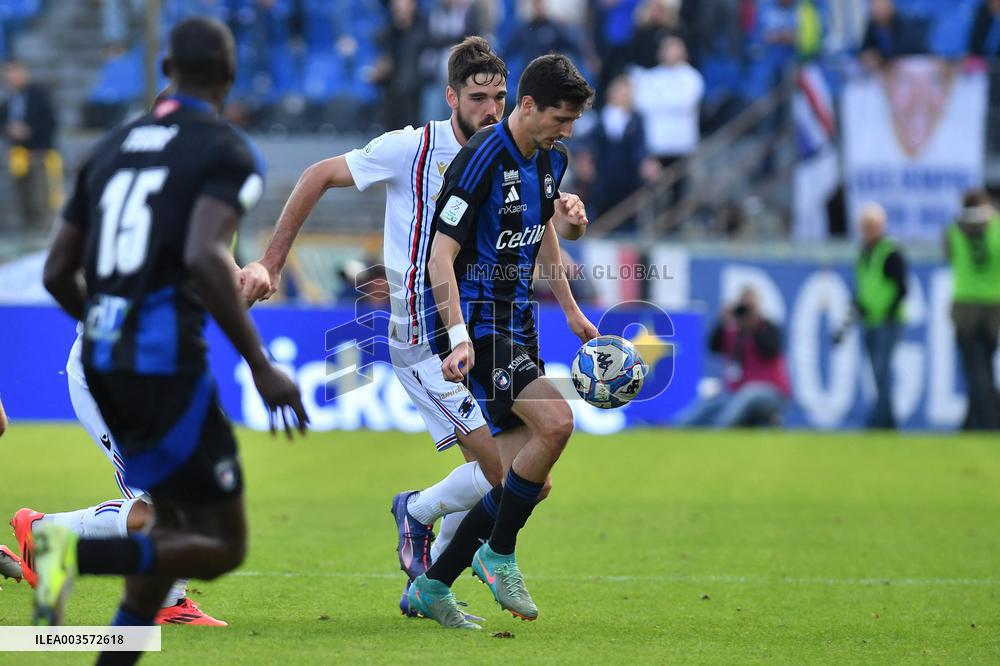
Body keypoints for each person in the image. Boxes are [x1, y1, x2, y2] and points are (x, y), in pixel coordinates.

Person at [33, 17, 308, 646]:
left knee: (178, 516)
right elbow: (199, 257)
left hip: (113, 357)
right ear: (230, 77)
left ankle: (75, 557)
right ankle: (69, 551)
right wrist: (260, 364)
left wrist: (109, 326)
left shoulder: (110, 151)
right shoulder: (223, 152)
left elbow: (58, 272)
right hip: (154, 366)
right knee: (195, 528)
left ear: (166, 71)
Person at [239, 36, 516, 624]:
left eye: (500, 97)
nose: (492, 110)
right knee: (506, 476)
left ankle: (429, 565)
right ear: (451, 97)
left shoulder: (505, 155)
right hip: (422, 338)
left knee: (527, 479)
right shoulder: (410, 148)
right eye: (478, 98)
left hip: (479, 333)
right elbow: (317, 174)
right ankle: (420, 522)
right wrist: (273, 262)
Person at [405, 53, 597, 628]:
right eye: (561, 119)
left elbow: (545, 236)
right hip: (477, 324)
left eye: (573, 122)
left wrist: (571, 309)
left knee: (527, 481)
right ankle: (499, 553)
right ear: (529, 105)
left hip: (519, 323)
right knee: (557, 423)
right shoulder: (482, 157)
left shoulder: (552, 158)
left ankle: (433, 586)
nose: (568, 132)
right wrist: (457, 337)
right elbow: (440, 255)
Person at [677, 287, 790, 428]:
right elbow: (712, 347)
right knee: (709, 402)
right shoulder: (733, 331)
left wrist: (754, 325)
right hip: (736, 392)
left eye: (749, 307)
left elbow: (770, 349)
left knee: (746, 396)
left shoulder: (768, 328)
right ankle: (676, 427)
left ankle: (721, 429)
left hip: (770, 391)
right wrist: (722, 320)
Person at [944, 190, 1000, 431]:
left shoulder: (954, 230)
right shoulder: (996, 228)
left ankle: (987, 421)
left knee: (974, 368)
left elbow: (948, 255)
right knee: (985, 365)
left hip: (965, 307)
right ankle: (975, 421)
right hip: (993, 307)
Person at [853, 203, 907, 429]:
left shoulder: (890, 251)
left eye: (870, 226)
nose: (867, 231)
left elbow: (902, 288)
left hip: (888, 321)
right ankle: (886, 418)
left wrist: (888, 312)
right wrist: (860, 307)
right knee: (877, 372)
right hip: (870, 320)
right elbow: (866, 286)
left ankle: (883, 419)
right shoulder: (865, 251)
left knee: (882, 370)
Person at [0, 58, 61, 230]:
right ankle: (28, 230)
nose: (13, 76)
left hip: (39, 153)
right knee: (22, 196)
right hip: (17, 155)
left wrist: (29, 130)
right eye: (9, 72)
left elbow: (50, 121)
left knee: (40, 196)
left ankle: (43, 230)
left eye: (16, 71)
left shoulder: (39, 95)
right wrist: (9, 129)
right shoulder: (10, 98)